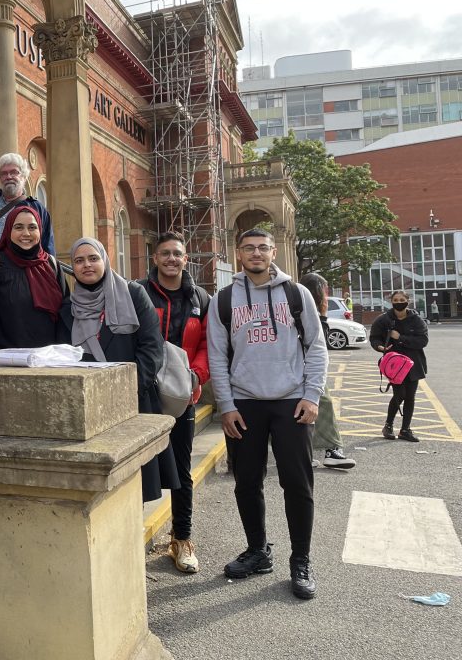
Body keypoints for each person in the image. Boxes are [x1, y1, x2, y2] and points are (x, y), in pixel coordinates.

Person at [206, 228, 327, 600]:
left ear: (274, 252)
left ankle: (300, 560)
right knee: (246, 483)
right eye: (248, 248)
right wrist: (226, 405)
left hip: (291, 402)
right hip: (245, 404)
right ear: (238, 254)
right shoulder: (224, 299)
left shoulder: (296, 293)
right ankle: (258, 551)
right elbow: (216, 357)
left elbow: (316, 347)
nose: (256, 253)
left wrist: (311, 395)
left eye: (263, 248)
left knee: (297, 484)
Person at [59, 237, 178, 505]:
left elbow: (152, 348)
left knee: (134, 489)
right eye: (79, 260)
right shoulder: (68, 309)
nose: (86, 265)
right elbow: (64, 357)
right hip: (90, 411)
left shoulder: (133, 294)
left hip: (133, 402)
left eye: (93, 258)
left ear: (104, 260)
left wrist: (125, 390)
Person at [138, 231, 211, 573]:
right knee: (138, 467)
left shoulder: (200, 298)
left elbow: (209, 344)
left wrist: (196, 375)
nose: (171, 258)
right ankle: (127, 535)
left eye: (177, 253)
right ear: (154, 258)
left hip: (183, 394)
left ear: (185, 258)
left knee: (182, 471)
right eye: (164, 253)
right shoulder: (137, 292)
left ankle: (181, 540)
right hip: (145, 394)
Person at [0, 205, 68, 349]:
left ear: (40, 231)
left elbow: (65, 314)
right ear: (9, 230)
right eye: (19, 227)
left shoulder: (53, 266)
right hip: (6, 361)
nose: (26, 233)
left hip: (49, 362)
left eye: (32, 227)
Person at [300, 273, 356, 469]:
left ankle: (316, 450)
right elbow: (318, 342)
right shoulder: (306, 308)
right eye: (325, 290)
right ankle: (331, 450)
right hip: (304, 368)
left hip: (305, 367)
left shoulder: (302, 304)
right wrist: (323, 314)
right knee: (323, 403)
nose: (327, 294)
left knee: (313, 406)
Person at [370, 290, 429, 442]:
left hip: (413, 363)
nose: (398, 302)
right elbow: (374, 338)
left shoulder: (416, 320)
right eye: (395, 299)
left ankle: (405, 430)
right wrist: (379, 347)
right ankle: (388, 426)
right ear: (391, 302)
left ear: (407, 301)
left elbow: (423, 341)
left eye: (402, 299)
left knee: (410, 396)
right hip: (394, 365)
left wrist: (400, 338)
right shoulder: (383, 320)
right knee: (400, 394)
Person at [0, 153, 55, 254]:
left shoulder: (37, 209)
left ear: (24, 176)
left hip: (21, 269)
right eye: (3, 173)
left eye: (14, 172)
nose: (8, 177)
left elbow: (47, 248)